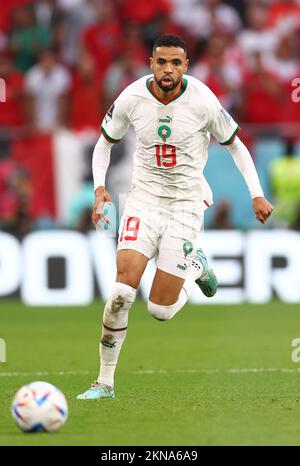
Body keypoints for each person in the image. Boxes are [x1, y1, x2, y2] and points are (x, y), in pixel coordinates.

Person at [77, 35, 273, 400]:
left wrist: (256, 193)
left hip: (185, 206)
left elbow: (236, 146)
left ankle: (196, 266)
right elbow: (105, 142)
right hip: (142, 201)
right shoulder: (132, 96)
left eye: (176, 63)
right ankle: (104, 382)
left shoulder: (202, 100)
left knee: (160, 310)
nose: (168, 70)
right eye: (162, 62)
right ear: (151, 62)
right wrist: (99, 188)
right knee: (121, 291)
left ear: (186, 66)